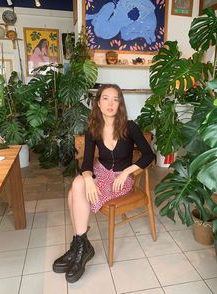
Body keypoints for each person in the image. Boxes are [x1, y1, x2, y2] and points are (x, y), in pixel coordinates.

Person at [52, 84, 155, 283]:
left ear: (120, 104)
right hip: (100, 172)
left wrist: (127, 172)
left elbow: (148, 154)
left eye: (115, 99)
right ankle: (81, 246)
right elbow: (88, 162)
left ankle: (79, 247)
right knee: (78, 184)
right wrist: (88, 179)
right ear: (98, 104)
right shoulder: (93, 130)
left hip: (119, 180)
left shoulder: (130, 126)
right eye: (106, 98)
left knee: (75, 191)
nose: (110, 103)